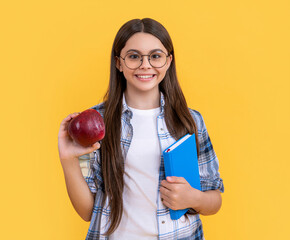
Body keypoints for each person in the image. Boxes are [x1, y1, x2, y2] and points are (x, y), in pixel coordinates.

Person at [58, 18, 224, 240]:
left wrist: (193, 198)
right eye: (134, 56)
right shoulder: (98, 123)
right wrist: (67, 159)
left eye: (155, 56)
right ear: (119, 63)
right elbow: (88, 212)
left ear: (168, 61)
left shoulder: (190, 121)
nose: (145, 65)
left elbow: (215, 200)